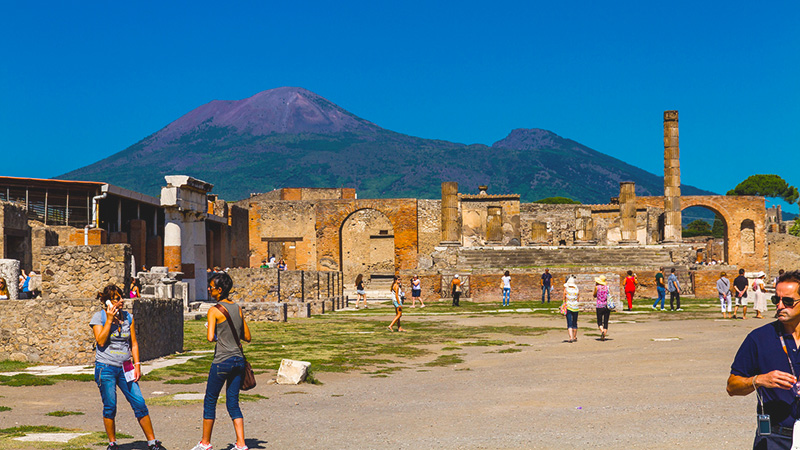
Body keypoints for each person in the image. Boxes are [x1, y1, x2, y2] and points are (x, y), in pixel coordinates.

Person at [727, 270, 800, 449]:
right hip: (774, 437)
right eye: (777, 300)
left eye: (788, 301)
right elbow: (732, 386)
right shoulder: (759, 338)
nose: (780, 306)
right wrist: (759, 380)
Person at [90, 285, 166, 450]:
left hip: (126, 367)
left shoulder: (128, 317)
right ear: (108, 301)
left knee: (139, 403)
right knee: (110, 406)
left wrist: (137, 364)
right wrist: (110, 319)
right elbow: (101, 341)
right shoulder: (99, 317)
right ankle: (112, 443)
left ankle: (153, 442)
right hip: (106, 367)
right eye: (117, 298)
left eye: (121, 297)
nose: (122, 301)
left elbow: (134, 343)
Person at [192, 272, 251, 450]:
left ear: (219, 290)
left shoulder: (214, 310)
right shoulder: (237, 308)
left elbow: (210, 338)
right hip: (238, 360)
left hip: (222, 360)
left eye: (211, 286)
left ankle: (205, 442)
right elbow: (247, 336)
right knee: (233, 402)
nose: (209, 289)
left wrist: (216, 329)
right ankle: (241, 443)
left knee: (210, 400)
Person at [562, 277, 580, 343]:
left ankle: (571, 337)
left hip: (569, 306)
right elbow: (578, 298)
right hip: (575, 307)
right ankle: (575, 336)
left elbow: (564, 297)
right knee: (574, 322)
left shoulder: (566, 289)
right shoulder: (577, 289)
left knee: (569, 322)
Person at [593, 275, 610, 341]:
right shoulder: (607, 287)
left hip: (599, 306)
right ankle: (604, 336)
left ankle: (602, 330)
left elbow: (594, 295)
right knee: (605, 321)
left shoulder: (597, 287)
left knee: (599, 321)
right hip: (606, 306)